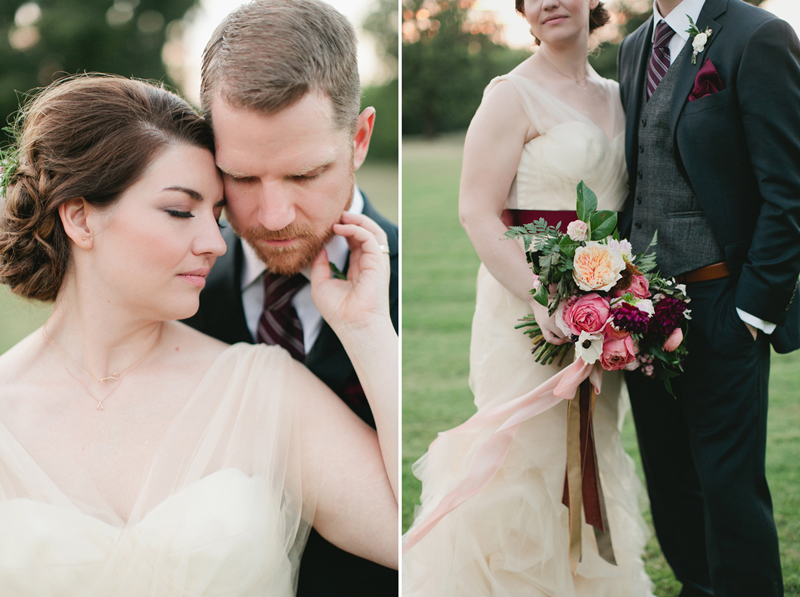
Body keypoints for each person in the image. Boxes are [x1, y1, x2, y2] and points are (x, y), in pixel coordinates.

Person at [0, 74, 398, 596]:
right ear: (79, 217)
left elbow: (419, 534)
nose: (215, 242)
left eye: (215, 216)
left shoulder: (264, 389)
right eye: (179, 211)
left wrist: (368, 331)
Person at [402, 1, 654, 595]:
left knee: (593, 445)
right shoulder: (508, 95)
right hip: (526, 311)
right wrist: (544, 298)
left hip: (608, 309)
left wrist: (622, 296)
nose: (547, 1)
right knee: (526, 458)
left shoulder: (623, 93)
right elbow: (476, 212)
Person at [183, 2, 398, 593]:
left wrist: (372, 335)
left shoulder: (412, 291)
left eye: (304, 175)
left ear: (359, 138)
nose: (273, 216)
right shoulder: (177, 291)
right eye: (243, 178)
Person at [617, 0, 800, 595]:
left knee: (729, 495)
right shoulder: (632, 46)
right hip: (641, 312)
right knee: (671, 490)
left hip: (723, 303)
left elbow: (788, 192)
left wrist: (750, 312)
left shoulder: (759, 36)